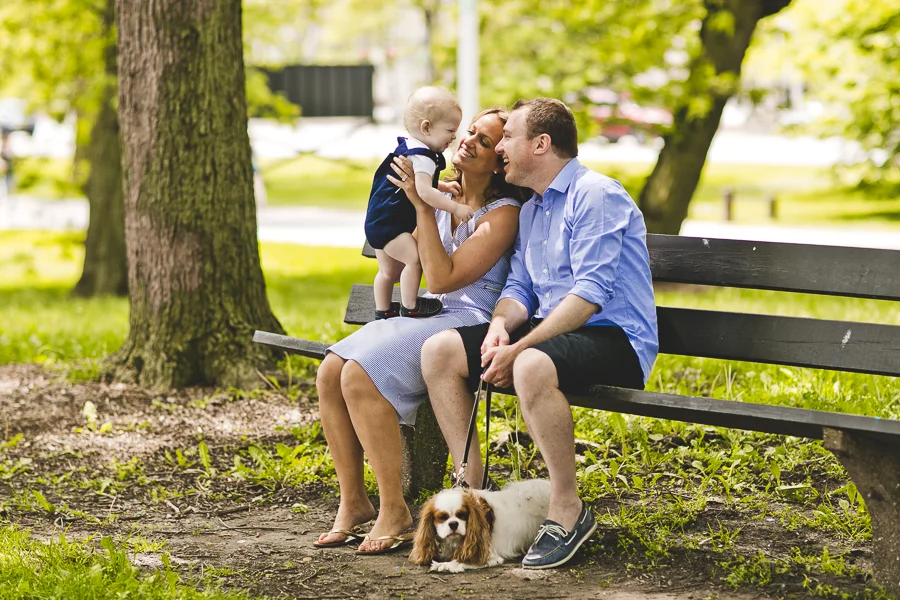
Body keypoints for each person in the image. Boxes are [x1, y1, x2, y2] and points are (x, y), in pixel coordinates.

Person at [421, 98, 659, 569]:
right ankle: (474, 497)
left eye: (508, 137)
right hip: (555, 334)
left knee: (529, 363)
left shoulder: (596, 195)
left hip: (614, 338)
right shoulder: (534, 209)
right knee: (441, 350)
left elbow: (590, 294)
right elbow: (520, 287)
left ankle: (567, 511)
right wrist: (497, 328)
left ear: (542, 143)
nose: (501, 148)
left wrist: (522, 345)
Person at [315, 107, 528, 554]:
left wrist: (422, 205)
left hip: (465, 323)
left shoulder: (502, 213)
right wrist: (423, 197)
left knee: (357, 373)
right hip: (431, 316)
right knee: (330, 370)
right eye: (470, 132)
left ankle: (395, 508)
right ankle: (354, 502)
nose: (468, 140)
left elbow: (444, 279)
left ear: (499, 161)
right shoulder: (442, 193)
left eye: (485, 141)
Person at [364, 86, 474, 321]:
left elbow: (418, 182)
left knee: (386, 271)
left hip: (379, 223)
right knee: (414, 260)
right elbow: (423, 191)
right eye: (450, 130)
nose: (454, 137)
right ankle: (410, 306)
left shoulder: (412, 148)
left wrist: (442, 186)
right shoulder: (423, 156)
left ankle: (383, 310)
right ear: (426, 127)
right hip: (393, 227)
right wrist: (455, 207)